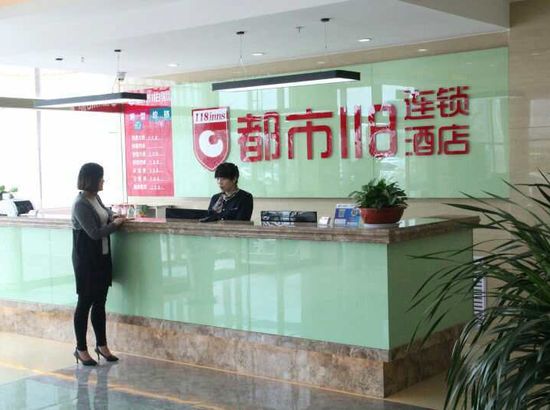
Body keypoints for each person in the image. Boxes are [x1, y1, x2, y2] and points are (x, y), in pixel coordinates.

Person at [71, 163, 126, 366]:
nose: (103, 181)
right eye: (101, 177)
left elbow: (105, 213)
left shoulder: (96, 198)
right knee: (85, 303)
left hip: (102, 258)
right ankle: (81, 349)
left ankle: (102, 346)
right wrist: (115, 225)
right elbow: (94, 233)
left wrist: (113, 216)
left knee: (100, 302)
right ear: (92, 179)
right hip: (87, 260)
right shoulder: (80, 204)